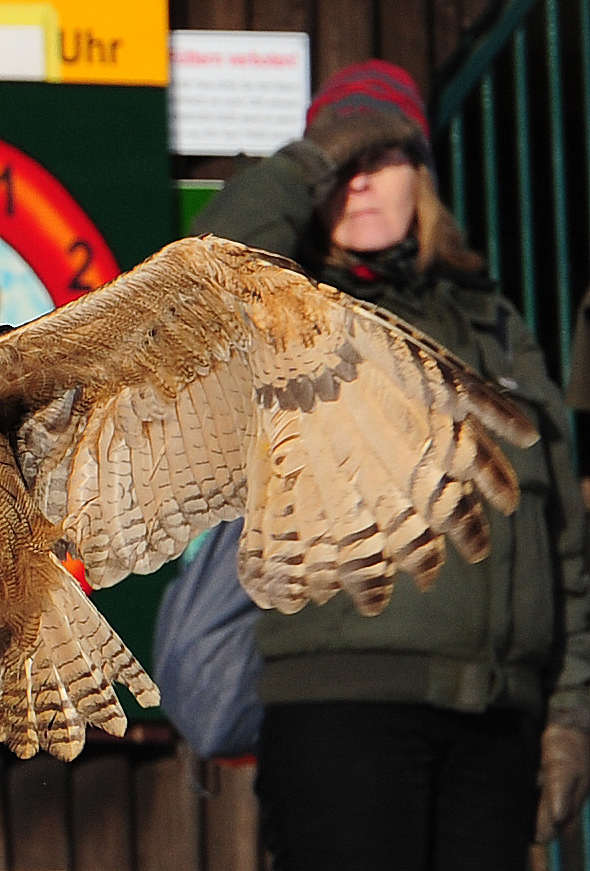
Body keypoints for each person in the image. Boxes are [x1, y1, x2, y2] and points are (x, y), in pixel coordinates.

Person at [191, 59, 590, 870]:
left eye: (384, 155)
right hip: (346, 711)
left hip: (495, 723)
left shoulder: (496, 326)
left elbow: (562, 539)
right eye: (342, 162)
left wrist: (569, 714)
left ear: (425, 180)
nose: (360, 180)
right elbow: (198, 274)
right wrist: (306, 161)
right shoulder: (290, 311)